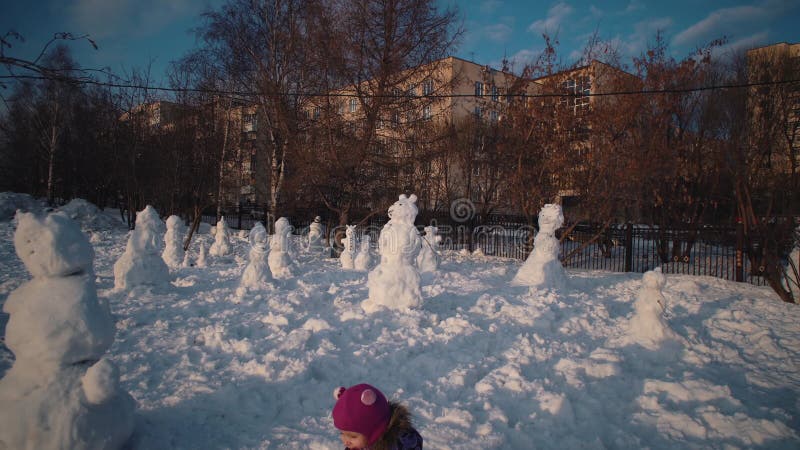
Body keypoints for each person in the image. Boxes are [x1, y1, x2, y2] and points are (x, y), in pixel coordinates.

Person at [332, 383, 422, 450]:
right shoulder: (357, 445)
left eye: (353, 437)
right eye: (342, 433)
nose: (345, 441)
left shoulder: (402, 442)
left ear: (374, 431)